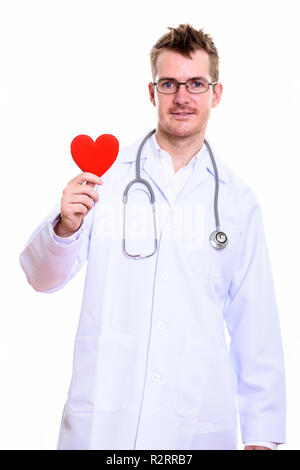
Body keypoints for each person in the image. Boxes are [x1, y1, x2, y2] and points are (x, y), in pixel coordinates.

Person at [19, 24, 286, 450]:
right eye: (170, 84)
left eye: (196, 83)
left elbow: (256, 324)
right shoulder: (105, 177)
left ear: (216, 94)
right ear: (152, 92)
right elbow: (41, 277)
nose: (182, 97)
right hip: (103, 428)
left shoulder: (238, 202)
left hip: (195, 428)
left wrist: (263, 437)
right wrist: (64, 228)